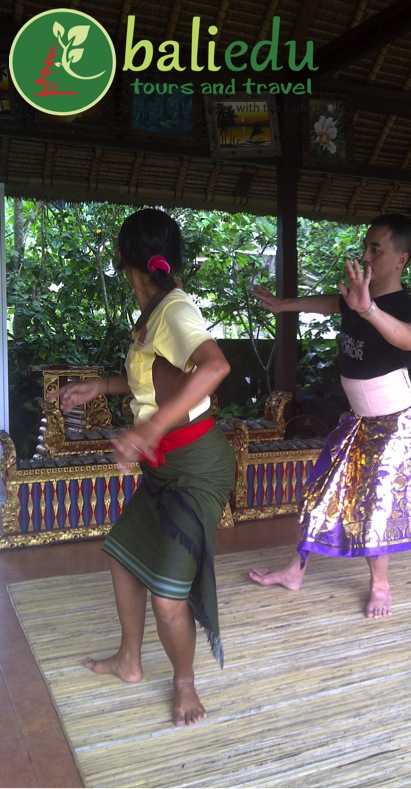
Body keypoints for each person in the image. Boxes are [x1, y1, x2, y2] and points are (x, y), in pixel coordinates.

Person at [49, 208, 236, 727]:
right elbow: (156, 381)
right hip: (166, 467)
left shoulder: (173, 309)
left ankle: (184, 684)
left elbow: (215, 366)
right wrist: (102, 387)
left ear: (124, 260)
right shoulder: (152, 313)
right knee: (122, 557)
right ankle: (129, 661)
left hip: (195, 467)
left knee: (167, 597)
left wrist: (149, 431)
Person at [249, 214, 411, 619]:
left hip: (395, 422)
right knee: (320, 490)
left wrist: (369, 311)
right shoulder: (355, 297)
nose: (365, 256)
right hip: (359, 419)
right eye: (365, 246)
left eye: (376, 249)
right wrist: (285, 305)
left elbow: (410, 339)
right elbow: (332, 302)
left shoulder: (404, 309)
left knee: (376, 502)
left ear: (400, 258)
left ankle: (380, 584)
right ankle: (295, 571)